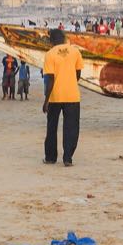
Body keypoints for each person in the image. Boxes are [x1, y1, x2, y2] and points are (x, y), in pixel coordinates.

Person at [42, 29, 84, 166]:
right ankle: (67, 158)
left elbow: (50, 79)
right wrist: (70, 83)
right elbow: (78, 74)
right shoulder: (75, 51)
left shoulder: (49, 54)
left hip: (55, 96)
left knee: (52, 127)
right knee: (71, 127)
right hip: (72, 95)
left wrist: (46, 100)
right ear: (64, 39)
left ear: (51, 40)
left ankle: (50, 157)